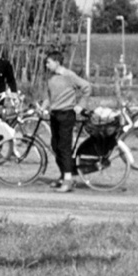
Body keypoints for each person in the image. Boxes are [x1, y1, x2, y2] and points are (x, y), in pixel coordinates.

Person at [43, 51, 92, 193]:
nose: (47, 65)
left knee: (64, 147)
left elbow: (86, 87)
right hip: (54, 114)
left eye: (49, 62)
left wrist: (80, 106)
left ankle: (68, 180)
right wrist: (43, 107)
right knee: (55, 145)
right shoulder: (51, 78)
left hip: (66, 115)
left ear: (57, 62)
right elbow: (48, 95)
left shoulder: (69, 76)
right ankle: (64, 174)